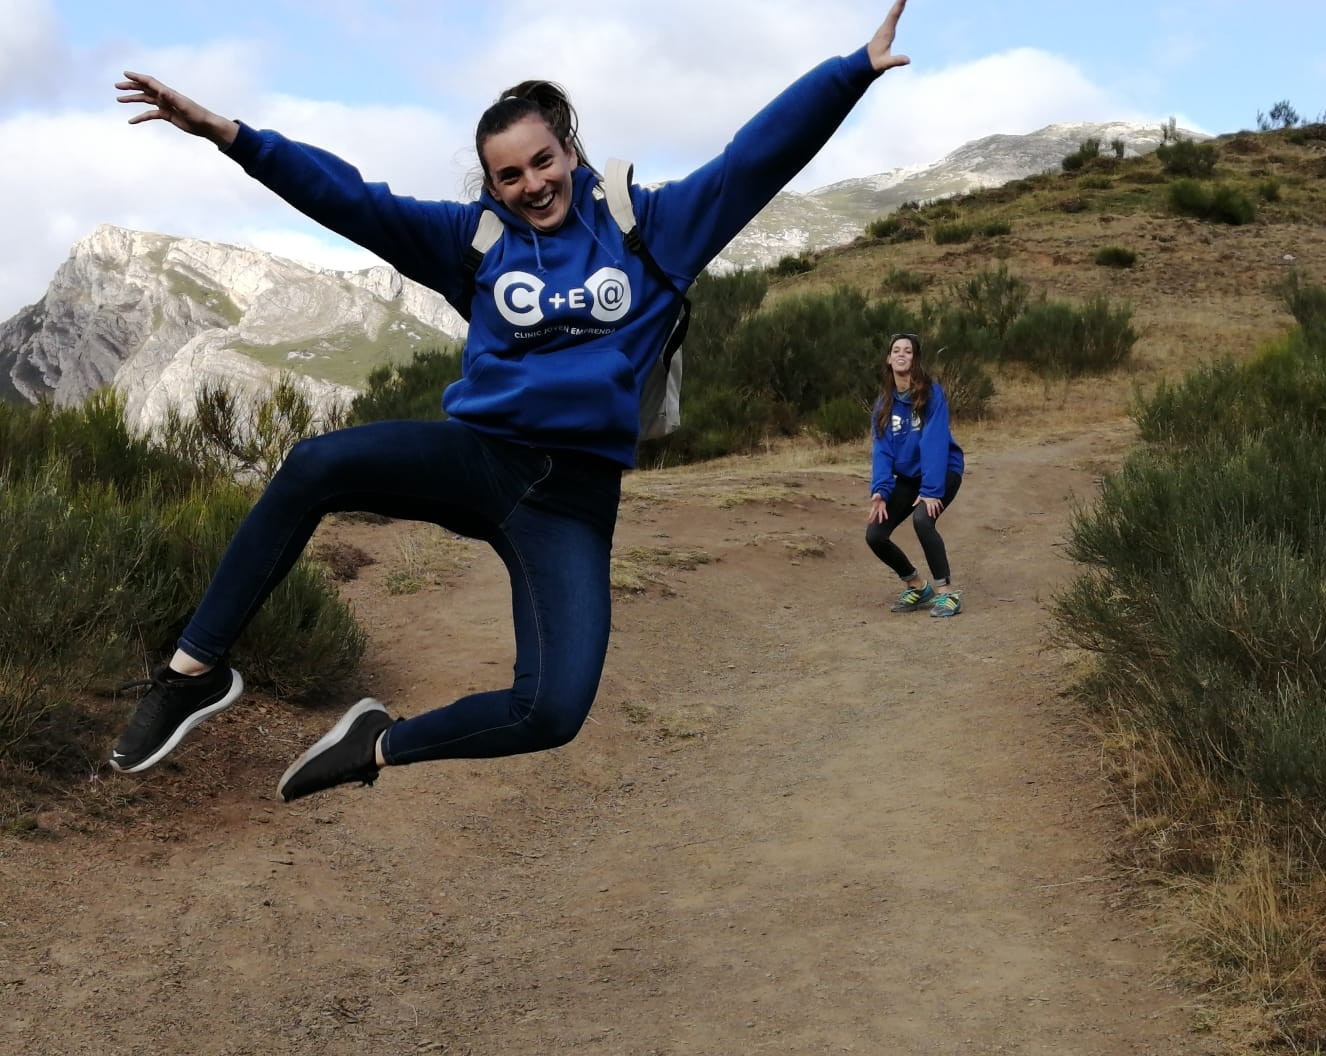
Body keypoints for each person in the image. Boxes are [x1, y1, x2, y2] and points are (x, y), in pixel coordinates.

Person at [109, 2, 913, 801]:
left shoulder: (651, 228)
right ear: (491, 183)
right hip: (480, 460)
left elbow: (756, 159)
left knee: (552, 710)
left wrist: (851, 73)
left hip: (572, 501)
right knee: (315, 463)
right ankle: (192, 673)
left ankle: (375, 746)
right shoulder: (474, 242)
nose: (532, 185)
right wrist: (230, 135)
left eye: (542, 161)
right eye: (510, 175)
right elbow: (350, 199)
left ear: (569, 150)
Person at [865, 332, 965, 617]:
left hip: (943, 471)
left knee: (923, 519)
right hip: (910, 478)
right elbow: (882, 450)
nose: (901, 354)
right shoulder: (883, 405)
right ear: (888, 358)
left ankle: (947, 594)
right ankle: (918, 587)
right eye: (896, 350)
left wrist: (932, 490)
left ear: (915, 358)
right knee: (875, 534)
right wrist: (880, 491)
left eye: (907, 351)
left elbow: (934, 442)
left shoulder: (931, 394)